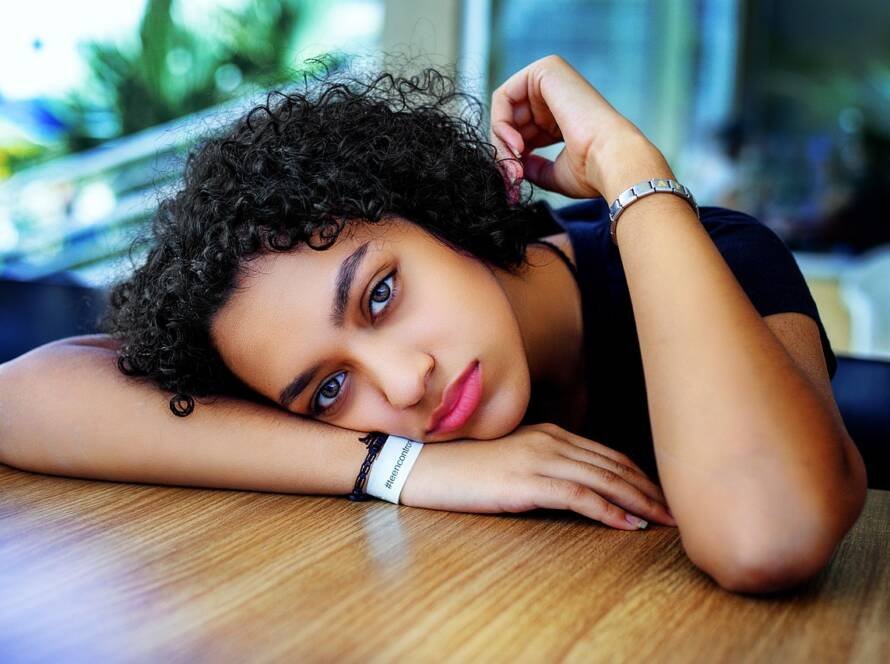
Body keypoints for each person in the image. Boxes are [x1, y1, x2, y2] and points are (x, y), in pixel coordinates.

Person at [0, 55, 866, 594]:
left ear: (440, 214)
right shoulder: (380, 421)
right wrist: (396, 467)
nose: (405, 383)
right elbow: (22, 400)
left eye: (379, 294)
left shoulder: (716, 256)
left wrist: (631, 170)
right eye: (331, 388)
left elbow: (768, 534)